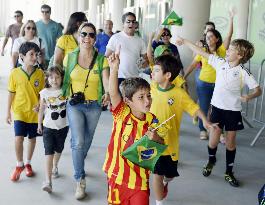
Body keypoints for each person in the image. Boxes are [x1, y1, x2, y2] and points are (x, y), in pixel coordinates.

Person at [176, 37, 262, 187]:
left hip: (233, 112)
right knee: (213, 140)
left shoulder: (243, 72)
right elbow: (201, 52)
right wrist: (185, 41)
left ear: (240, 55)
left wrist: (249, 96)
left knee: (230, 143)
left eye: (231, 49)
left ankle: (229, 171)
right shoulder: (220, 62)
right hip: (216, 109)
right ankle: (211, 161)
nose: (227, 50)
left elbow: (258, 90)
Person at [150, 54, 213, 205]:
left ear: (167, 75)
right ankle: (159, 202)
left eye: (157, 70)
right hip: (153, 141)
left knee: (169, 175)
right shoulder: (150, 87)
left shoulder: (179, 94)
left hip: (170, 144)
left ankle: (167, 180)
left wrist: (205, 121)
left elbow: (194, 108)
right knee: (156, 174)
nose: (152, 72)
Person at [103, 50, 164, 205]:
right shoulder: (122, 113)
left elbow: (161, 144)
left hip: (140, 181)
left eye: (148, 96)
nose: (147, 101)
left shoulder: (153, 120)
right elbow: (113, 93)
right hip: (116, 177)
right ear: (128, 101)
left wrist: (156, 138)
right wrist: (114, 69)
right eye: (141, 97)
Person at [61, 22, 110, 200]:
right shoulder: (70, 57)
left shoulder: (101, 59)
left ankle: (78, 156)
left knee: (87, 140)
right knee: (79, 141)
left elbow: (106, 80)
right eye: (83, 34)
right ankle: (79, 179)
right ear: (78, 36)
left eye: (90, 35)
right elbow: (64, 79)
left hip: (94, 105)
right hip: (74, 104)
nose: (87, 38)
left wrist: (108, 94)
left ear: (95, 39)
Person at [184, 11, 235, 140]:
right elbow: (193, 64)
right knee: (204, 107)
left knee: (218, 108)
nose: (209, 38)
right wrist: (184, 76)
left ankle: (219, 131)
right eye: (207, 37)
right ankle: (203, 129)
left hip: (219, 84)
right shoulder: (202, 52)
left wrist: (231, 18)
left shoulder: (222, 50)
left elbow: (229, 35)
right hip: (204, 83)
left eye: (212, 36)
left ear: (217, 39)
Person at [6, 42, 45, 182]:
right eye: (31, 54)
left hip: (34, 114)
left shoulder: (40, 74)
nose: (35, 57)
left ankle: (28, 163)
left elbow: (42, 94)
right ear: (22, 56)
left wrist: (40, 105)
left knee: (32, 139)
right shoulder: (15, 73)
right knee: (18, 138)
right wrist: (7, 112)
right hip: (19, 111)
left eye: (36, 54)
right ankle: (19, 165)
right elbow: (11, 93)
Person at [37, 66, 68, 193]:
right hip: (48, 126)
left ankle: (55, 166)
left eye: (57, 77)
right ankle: (48, 181)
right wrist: (39, 125)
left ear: (62, 78)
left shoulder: (65, 90)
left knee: (59, 149)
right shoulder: (44, 92)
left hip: (63, 126)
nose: (54, 80)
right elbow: (41, 110)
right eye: (51, 77)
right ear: (47, 78)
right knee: (48, 152)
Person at [105, 12, 148, 86]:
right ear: (123, 24)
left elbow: (145, 59)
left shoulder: (140, 41)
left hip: (135, 79)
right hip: (119, 77)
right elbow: (106, 57)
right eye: (128, 22)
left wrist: (144, 63)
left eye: (133, 22)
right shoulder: (115, 37)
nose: (131, 24)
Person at [36, 4, 63, 69]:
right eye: (42, 12)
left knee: (51, 77)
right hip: (39, 57)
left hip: (53, 56)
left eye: (47, 12)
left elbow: (61, 41)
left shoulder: (56, 25)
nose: (44, 13)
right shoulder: (36, 25)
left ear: (50, 12)